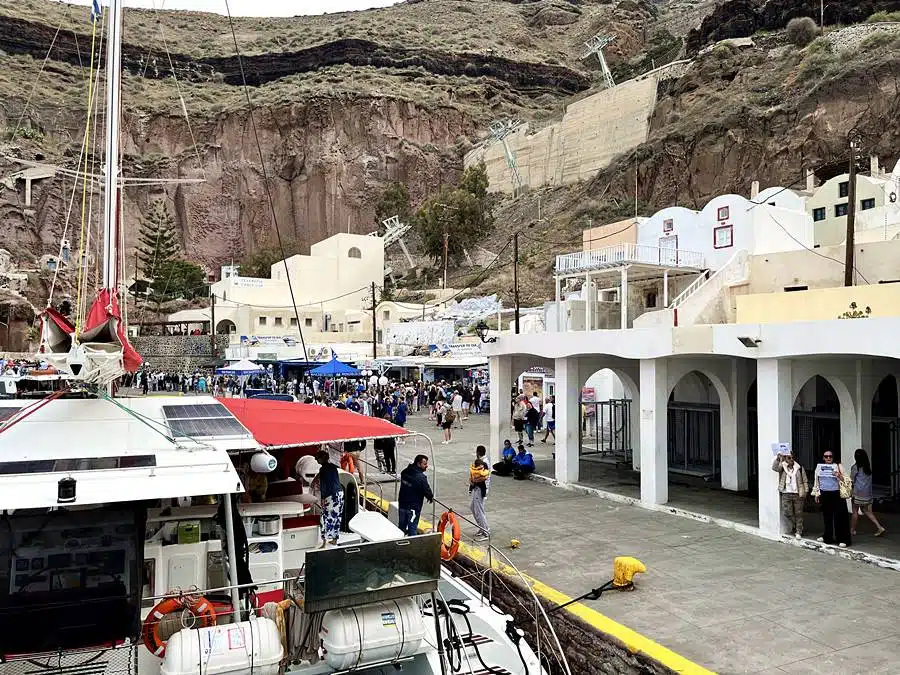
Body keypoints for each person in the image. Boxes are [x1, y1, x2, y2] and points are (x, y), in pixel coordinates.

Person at [812, 450, 851, 548]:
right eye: (826, 456)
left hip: (836, 493)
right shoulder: (819, 467)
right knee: (827, 516)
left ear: (833, 457)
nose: (828, 458)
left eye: (830, 456)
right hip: (825, 493)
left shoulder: (838, 466)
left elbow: (847, 480)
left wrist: (839, 475)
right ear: (823, 458)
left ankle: (843, 539)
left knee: (840, 517)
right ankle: (827, 536)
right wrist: (817, 494)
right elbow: (817, 481)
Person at [771, 452, 808, 538]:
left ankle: (799, 530)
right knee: (787, 512)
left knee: (798, 513)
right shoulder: (783, 467)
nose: (791, 460)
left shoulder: (799, 468)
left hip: (797, 493)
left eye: (792, 458)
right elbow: (774, 468)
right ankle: (797, 525)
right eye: (788, 458)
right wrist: (778, 459)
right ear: (785, 459)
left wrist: (805, 491)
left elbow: (805, 480)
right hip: (786, 493)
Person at [850, 448, 886, 537]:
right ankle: (879, 527)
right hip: (867, 494)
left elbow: (851, 480)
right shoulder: (868, 468)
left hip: (857, 494)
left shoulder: (855, 467)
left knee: (855, 512)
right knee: (866, 510)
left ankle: (852, 530)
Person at [312, 450, 344, 547]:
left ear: (322, 458)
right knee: (337, 517)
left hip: (330, 495)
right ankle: (334, 540)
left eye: (317, 458)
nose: (317, 460)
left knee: (325, 517)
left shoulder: (323, 470)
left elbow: (324, 486)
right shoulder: (333, 466)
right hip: (339, 493)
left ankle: (324, 542)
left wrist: (322, 499)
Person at [398, 455, 434, 536]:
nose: (426, 466)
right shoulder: (421, 478)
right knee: (412, 528)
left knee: (401, 527)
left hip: (402, 504)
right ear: (418, 464)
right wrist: (430, 497)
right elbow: (427, 491)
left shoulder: (405, 472)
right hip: (413, 508)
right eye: (424, 464)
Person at [469, 457, 490, 541]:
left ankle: (486, 532)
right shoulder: (475, 468)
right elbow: (471, 480)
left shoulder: (484, 467)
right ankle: (481, 528)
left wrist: (474, 480)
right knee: (473, 508)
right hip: (475, 489)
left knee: (479, 511)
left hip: (479, 491)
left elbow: (484, 478)